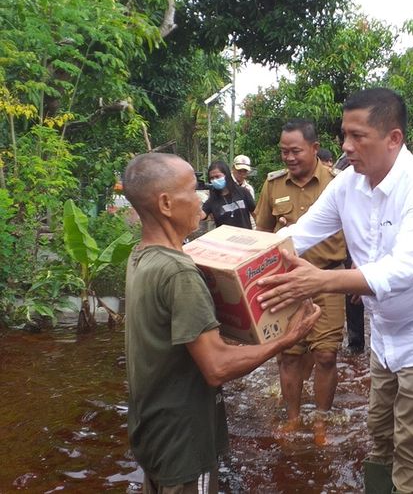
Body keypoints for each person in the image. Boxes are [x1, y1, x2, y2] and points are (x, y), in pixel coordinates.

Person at [255, 88, 413, 493]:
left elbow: (403, 269)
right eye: (343, 136)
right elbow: (300, 234)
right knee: (379, 434)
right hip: (384, 327)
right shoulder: (348, 185)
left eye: (358, 136)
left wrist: (321, 280)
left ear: (393, 138)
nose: (347, 147)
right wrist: (240, 259)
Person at [122, 152, 320, 493]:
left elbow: (180, 341)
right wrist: (286, 339)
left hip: (152, 429)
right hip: (185, 439)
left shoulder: (141, 257)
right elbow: (215, 366)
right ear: (167, 203)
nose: (202, 203)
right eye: (192, 192)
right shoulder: (179, 272)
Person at [254, 119, 347, 445]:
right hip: (286, 284)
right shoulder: (273, 185)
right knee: (289, 354)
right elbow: (260, 235)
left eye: (295, 151)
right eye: (283, 152)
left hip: (327, 280)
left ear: (314, 149)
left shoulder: (337, 183)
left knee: (326, 355)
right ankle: (293, 419)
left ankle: (321, 421)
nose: (288, 158)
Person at [201, 160, 255, 229]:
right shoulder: (212, 200)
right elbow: (200, 216)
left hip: (245, 237)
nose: (215, 180)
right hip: (224, 238)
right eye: (212, 178)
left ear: (226, 175)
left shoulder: (243, 192)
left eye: (217, 177)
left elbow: (256, 215)